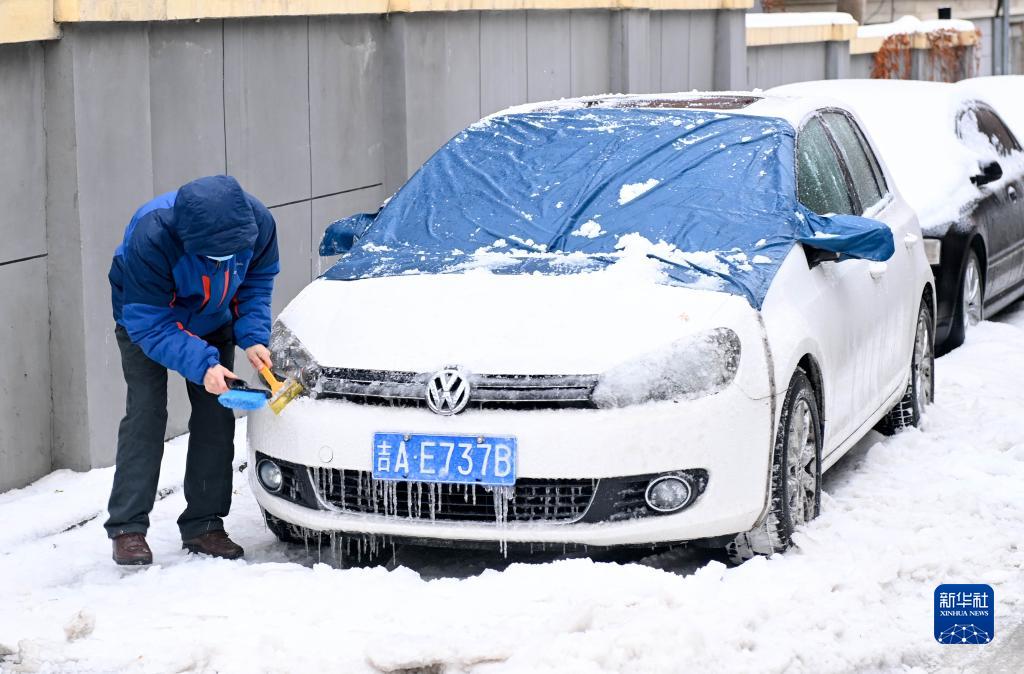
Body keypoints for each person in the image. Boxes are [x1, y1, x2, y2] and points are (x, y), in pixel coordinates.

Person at [105, 175, 279, 565]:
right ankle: (127, 527)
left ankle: (204, 525)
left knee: (216, 414)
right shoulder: (153, 236)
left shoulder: (259, 224)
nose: (223, 259)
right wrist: (204, 365)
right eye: (214, 253)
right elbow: (149, 322)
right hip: (146, 321)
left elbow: (256, 281)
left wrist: (251, 336)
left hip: (213, 318)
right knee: (146, 413)